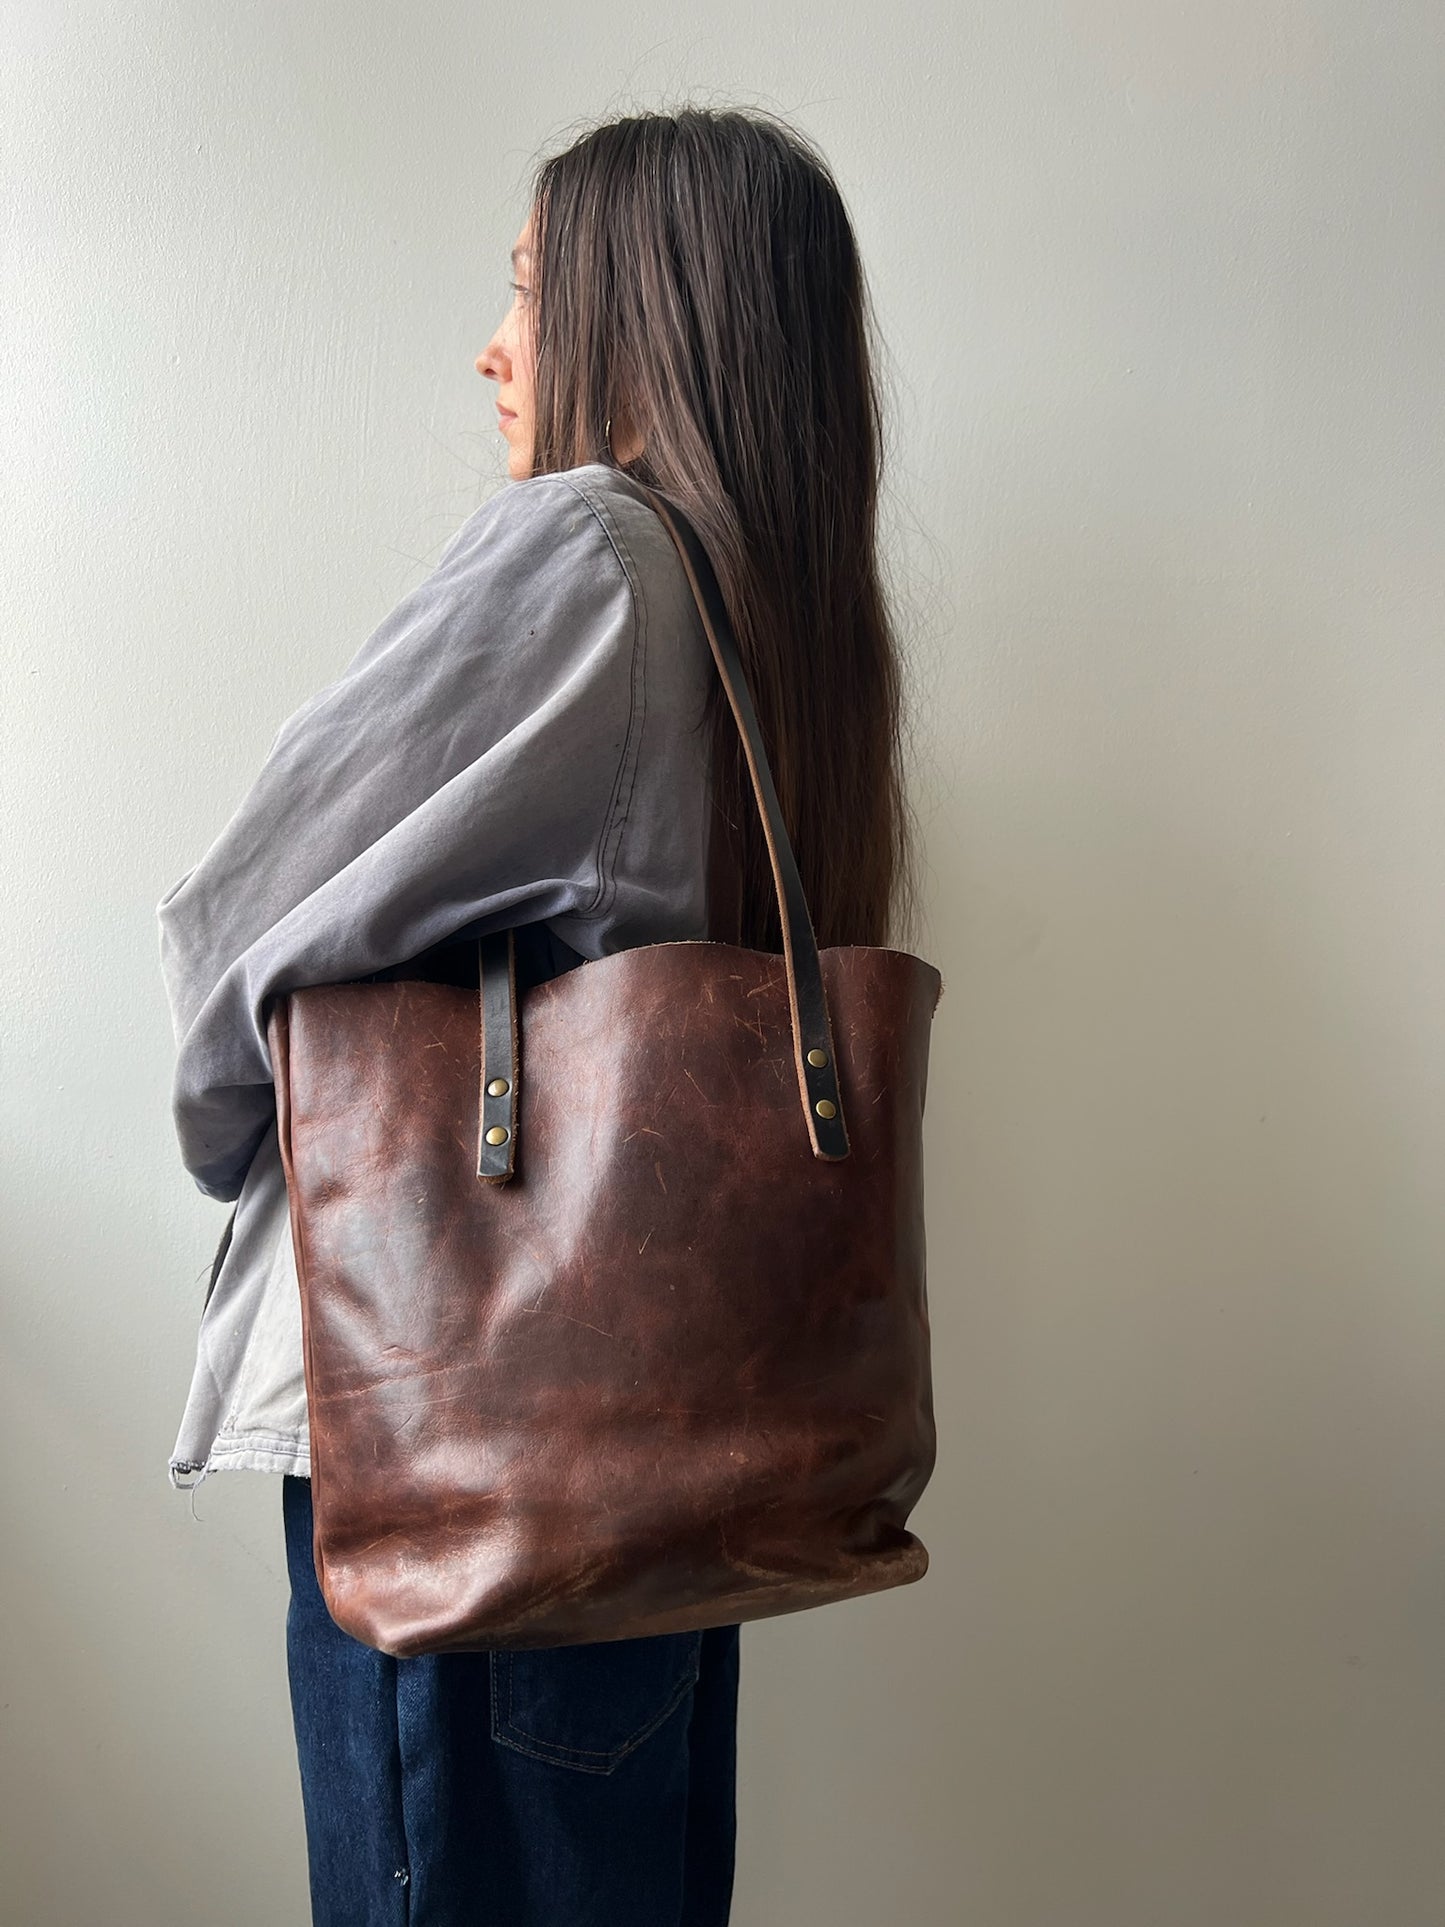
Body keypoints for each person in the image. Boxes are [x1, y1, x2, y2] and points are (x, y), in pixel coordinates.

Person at [157, 104, 922, 1927]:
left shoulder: (585, 552)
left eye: (531, 291)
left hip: (463, 1454)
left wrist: (215, 1129)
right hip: (655, 1475)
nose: (498, 347)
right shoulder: (781, 619)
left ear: (639, 320)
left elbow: (242, 921)